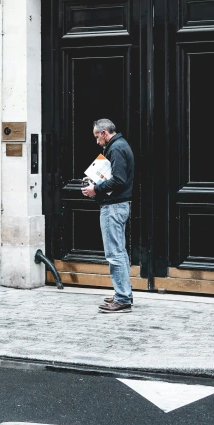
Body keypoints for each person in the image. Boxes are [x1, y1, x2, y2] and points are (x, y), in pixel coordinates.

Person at [82, 118, 134, 313]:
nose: (97, 142)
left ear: (104, 133)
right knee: (119, 252)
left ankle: (122, 298)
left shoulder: (116, 148)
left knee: (114, 254)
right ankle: (124, 293)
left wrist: (96, 188)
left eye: (97, 137)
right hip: (118, 206)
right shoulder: (119, 146)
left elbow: (119, 180)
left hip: (113, 207)